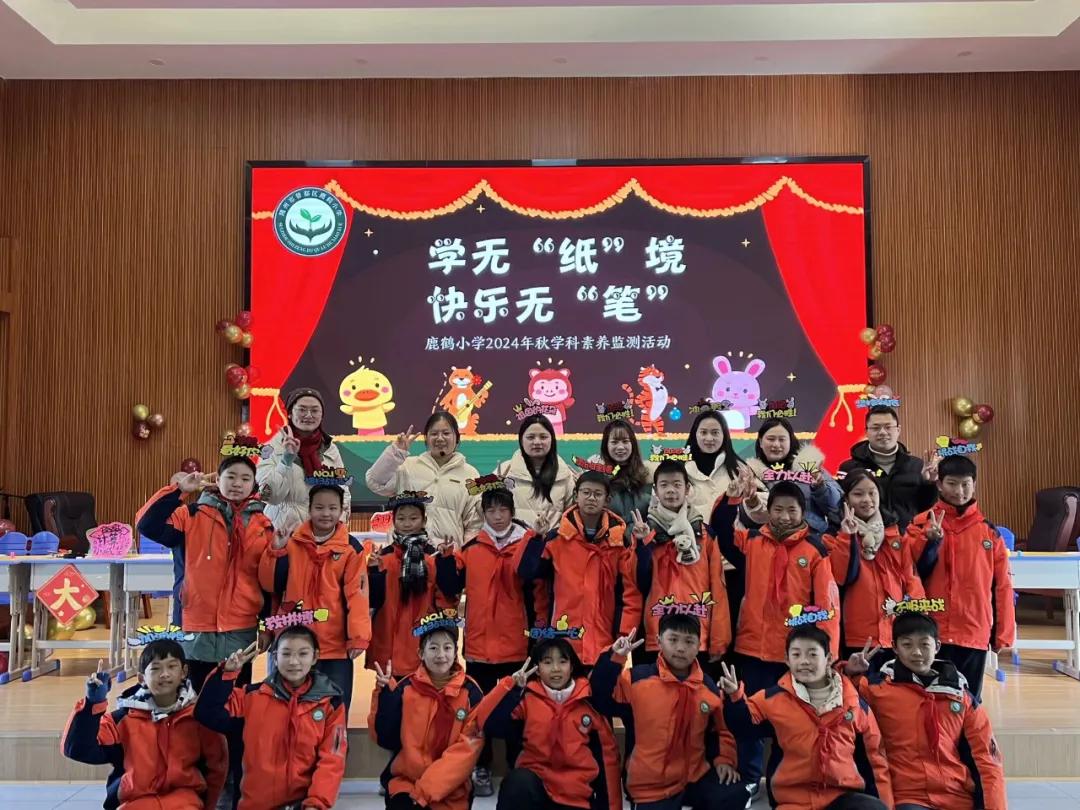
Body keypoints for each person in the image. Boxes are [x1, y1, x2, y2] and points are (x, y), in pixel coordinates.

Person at [711, 479, 840, 789]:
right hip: (752, 647)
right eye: (778, 509)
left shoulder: (815, 549)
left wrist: (828, 654)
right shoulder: (753, 540)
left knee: (790, 721)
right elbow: (723, 533)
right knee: (749, 717)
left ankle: (782, 780)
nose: (784, 516)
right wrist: (730, 500)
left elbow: (827, 605)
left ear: (803, 513)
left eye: (792, 510)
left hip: (793, 654)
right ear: (768, 511)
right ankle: (750, 778)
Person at [434, 483, 549, 797]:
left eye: (503, 509)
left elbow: (537, 589)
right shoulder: (471, 548)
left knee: (517, 710)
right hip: (479, 646)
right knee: (479, 711)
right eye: (491, 510)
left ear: (512, 512)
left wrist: (538, 633)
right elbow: (450, 588)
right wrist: (445, 558)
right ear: (483, 513)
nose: (497, 516)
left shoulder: (526, 544)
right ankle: (481, 766)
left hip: (517, 645)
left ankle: (517, 767)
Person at [719, 625, 893, 810]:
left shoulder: (854, 703)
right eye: (796, 655)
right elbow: (744, 728)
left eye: (812, 654)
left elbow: (875, 760)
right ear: (787, 660)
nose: (804, 661)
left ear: (828, 659)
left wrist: (884, 805)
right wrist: (735, 697)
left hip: (842, 798)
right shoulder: (772, 699)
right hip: (792, 801)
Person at [137, 456, 273, 690]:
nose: (237, 483)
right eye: (231, 476)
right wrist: (179, 490)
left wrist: (266, 626)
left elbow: (267, 582)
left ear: (253, 484)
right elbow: (146, 524)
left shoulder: (264, 527)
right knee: (193, 700)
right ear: (217, 480)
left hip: (240, 629)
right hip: (195, 626)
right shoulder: (190, 516)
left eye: (245, 478)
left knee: (235, 700)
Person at [846, 612, 1007, 810]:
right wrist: (848, 671)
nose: (917, 652)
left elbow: (988, 760)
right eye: (907, 645)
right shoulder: (875, 690)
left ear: (937, 646)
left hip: (958, 796)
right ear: (895, 647)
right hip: (908, 798)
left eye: (924, 644)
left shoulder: (961, 696)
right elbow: (834, 695)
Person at [590, 615, 752, 810]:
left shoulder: (708, 687)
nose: (681, 648)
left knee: (734, 794)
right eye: (673, 640)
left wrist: (724, 760)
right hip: (650, 784)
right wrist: (614, 658)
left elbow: (721, 730)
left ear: (699, 645)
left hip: (695, 776)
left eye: (689, 641)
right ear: (659, 641)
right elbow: (601, 698)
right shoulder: (635, 680)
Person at [195, 626, 348, 810]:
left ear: (315, 657)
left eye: (303, 654)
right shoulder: (251, 697)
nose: (294, 661)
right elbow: (207, 712)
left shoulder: (331, 704)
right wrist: (227, 674)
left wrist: (316, 803)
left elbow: (332, 760)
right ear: (275, 657)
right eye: (286, 654)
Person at [63, 639, 227, 810]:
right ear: (141, 678)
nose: (165, 674)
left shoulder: (199, 718)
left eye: (172, 666)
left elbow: (217, 768)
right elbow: (77, 750)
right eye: (156, 668)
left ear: (184, 672)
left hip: (186, 804)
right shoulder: (123, 719)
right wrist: (92, 704)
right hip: (135, 803)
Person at [470, 636, 621, 810]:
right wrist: (510, 688)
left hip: (578, 798)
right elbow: (489, 724)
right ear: (537, 668)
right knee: (517, 783)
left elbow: (608, 760)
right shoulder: (525, 700)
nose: (556, 669)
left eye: (562, 662)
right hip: (537, 792)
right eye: (547, 662)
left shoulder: (589, 701)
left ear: (572, 666)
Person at [907, 455, 1014, 697]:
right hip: (929, 634)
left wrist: (1003, 634)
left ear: (974, 484)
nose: (959, 491)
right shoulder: (920, 525)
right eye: (952, 483)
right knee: (928, 702)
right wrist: (927, 541)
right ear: (939, 484)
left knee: (968, 702)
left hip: (973, 631)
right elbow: (908, 573)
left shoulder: (989, 532)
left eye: (965, 484)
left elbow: (1002, 586)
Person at [259, 484, 371, 710]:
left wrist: (358, 636)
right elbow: (270, 587)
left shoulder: (351, 548)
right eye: (319, 507)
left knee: (333, 710)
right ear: (309, 509)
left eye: (332, 508)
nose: (326, 514)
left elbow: (357, 595)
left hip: (334, 645)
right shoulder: (290, 542)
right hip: (291, 642)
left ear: (342, 510)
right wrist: (275, 551)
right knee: (283, 708)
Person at [518, 470, 642, 667]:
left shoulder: (620, 541)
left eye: (597, 494)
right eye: (586, 492)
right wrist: (536, 538)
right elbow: (528, 573)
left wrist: (625, 634)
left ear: (607, 499)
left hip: (606, 642)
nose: (591, 498)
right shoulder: (556, 538)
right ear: (576, 495)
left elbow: (630, 592)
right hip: (562, 642)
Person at [369, 611, 486, 810]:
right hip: (407, 783)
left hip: (452, 788)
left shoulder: (471, 693)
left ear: (455, 652)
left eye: (447, 647)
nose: (441, 655)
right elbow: (383, 737)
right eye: (433, 648)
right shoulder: (405, 688)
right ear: (421, 654)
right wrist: (384, 693)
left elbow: (465, 753)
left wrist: (424, 792)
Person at [632, 460, 731, 666]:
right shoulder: (645, 532)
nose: (671, 490)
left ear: (687, 489)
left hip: (696, 634)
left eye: (677, 485)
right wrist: (644, 544)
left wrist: (719, 640)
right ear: (655, 490)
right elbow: (637, 583)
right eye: (664, 485)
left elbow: (718, 588)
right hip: (657, 633)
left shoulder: (705, 534)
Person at [825, 470, 924, 661]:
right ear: (846, 499)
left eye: (872, 493)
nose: (867, 500)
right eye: (858, 494)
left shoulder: (894, 533)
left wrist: (918, 622)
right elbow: (840, 577)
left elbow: (911, 578)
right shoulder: (833, 536)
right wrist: (847, 537)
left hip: (896, 634)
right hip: (855, 636)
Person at [366, 411, 483, 547]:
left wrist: (465, 555)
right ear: (426, 438)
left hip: (447, 554)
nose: (440, 438)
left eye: (446, 433)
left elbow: (474, 524)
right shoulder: (408, 466)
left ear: (457, 437)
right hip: (405, 552)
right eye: (434, 434)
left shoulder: (470, 474)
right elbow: (375, 483)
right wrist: (395, 453)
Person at [369, 491, 452, 678]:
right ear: (393, 521)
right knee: (386, 694)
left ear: (424, 521)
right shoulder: (383, 557)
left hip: (423, 641)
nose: (407, 524)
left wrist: (447, 561)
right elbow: (372, 600)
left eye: (413, 518)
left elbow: (445, 598)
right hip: (388, 643)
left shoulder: (433, 557)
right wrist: (374, 571)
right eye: (401, 518)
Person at [257, 387, 351, 534]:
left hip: (321, 534)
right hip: (283, 534)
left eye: (314, 410)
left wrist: (338, 524)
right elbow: (268, 496)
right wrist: (286, 460)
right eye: (302, 410)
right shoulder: (270, 448)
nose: (308, 415)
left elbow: (342, 490)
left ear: (322, 415)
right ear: (290, 413)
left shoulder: (329, 448)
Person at [838, 405, 937, 530]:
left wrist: (930, 483)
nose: (882, 432)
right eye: (876, 428)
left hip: (909, 537)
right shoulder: (849, 468)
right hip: (865, 537)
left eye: (888, 427)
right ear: (866, 431)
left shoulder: (917, 466)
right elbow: (841, 508)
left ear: (898, 430)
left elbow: (927, 508)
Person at [745, 417, 842, 534]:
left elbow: (838, 508)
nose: (776, 444)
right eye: (771, 439)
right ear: (761, 442)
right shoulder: (751, 474)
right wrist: (753, 503)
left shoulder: (810, 466)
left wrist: (821, 488)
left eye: (782, 439)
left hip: (813, 538)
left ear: (790, 441)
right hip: (770, 540)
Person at [495, 415, 577, 534]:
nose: (537, 442)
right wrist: (493, 491)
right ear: (521, 440)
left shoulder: (565, 474)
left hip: (553, 543)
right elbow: (485, 510)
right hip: (515, 543)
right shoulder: (505, 471)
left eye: (543, 437)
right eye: (530, 437)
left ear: (552, 440)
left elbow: (571, 516)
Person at [685, 410, 767, 526]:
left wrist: (753, 502)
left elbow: (767, 506)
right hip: (691, 536)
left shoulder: (740, 469)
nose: (709, 438)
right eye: (703, 432)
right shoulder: (680, 469)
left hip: (731, 535)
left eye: (715, 433)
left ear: (724, 435)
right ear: (695, 434)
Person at [597, 418, 653, 527]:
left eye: (625, 441)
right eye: (614, 442)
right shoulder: (599, 479)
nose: (620, 447)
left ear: (633, 444)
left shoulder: (648, 476)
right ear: (606, 445)